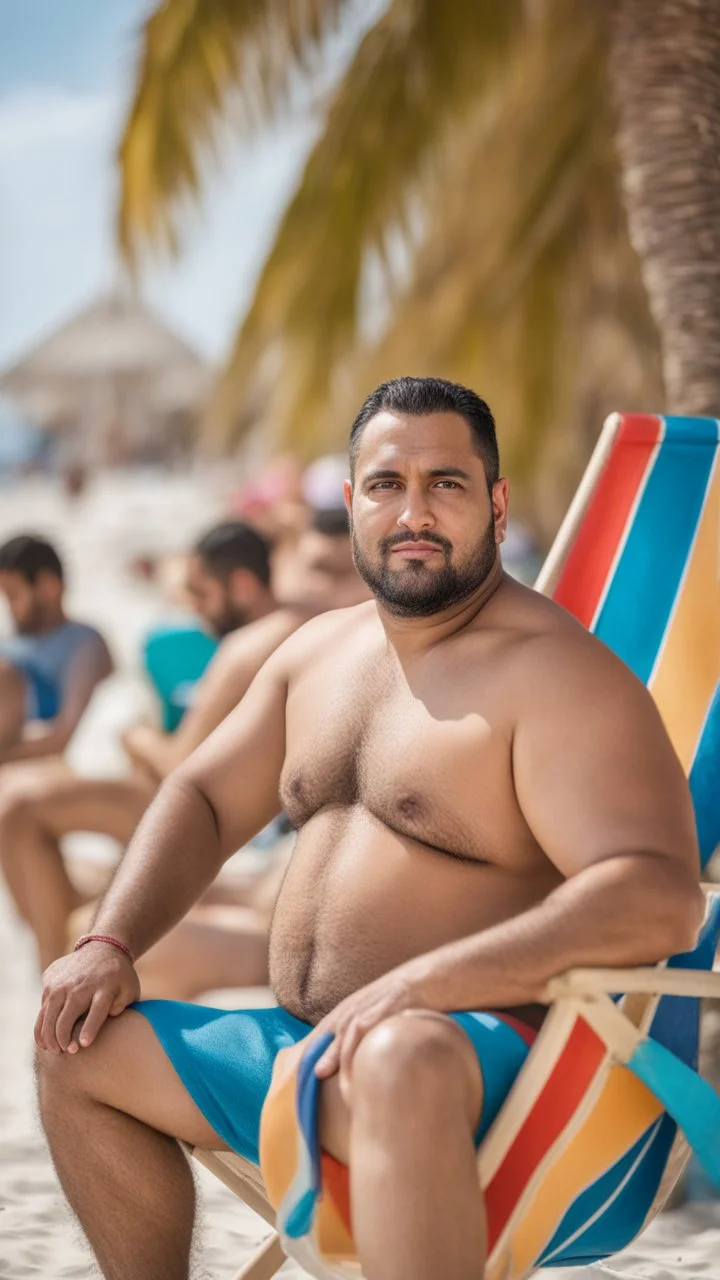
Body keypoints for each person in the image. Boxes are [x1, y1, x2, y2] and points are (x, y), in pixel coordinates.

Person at [35, 377, 702, 1280]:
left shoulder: (556, 679)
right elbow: (201, 796)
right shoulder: (318, 653)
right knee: (74, 1046)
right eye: (388, 484)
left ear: (498, 506)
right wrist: (112, 940)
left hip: (477, 1062)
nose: (414, 512)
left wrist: (424, 985)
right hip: (305, 1049)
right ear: (353, 503)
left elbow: (655, 898)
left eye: (448, 484)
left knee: (399, 1054)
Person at [0, 516, 366, 974]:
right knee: (51, 852)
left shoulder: (251, 644)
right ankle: (60, 962)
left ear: (243, 585)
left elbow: (179, 764)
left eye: (200, 594)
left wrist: (135, 735)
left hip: (219, 812)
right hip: (253, 813)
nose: (193, 609)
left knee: (18, 808)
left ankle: (51, 979)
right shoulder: (327, 620)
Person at [0, 534, 112, 763]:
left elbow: (67, 735)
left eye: (14, 596)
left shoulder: (83, 642)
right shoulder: (8, 643)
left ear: (48, 586)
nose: (9, 608)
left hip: (33, 757)